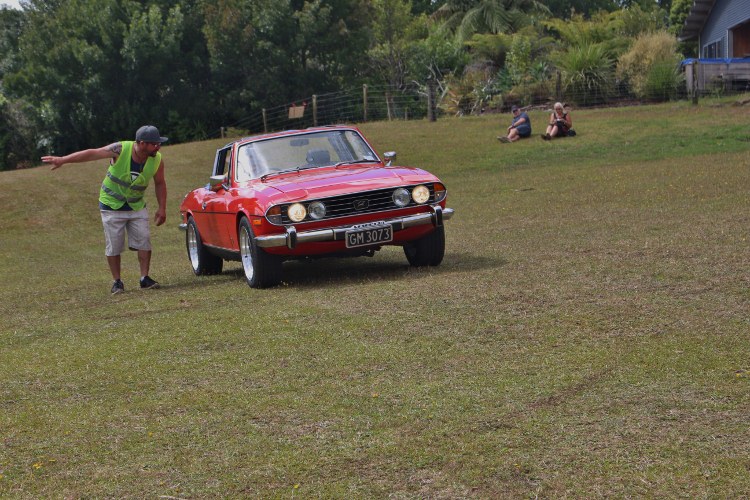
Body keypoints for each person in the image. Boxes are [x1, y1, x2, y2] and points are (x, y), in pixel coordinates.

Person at [41, 125, 168, 294]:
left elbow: (160, 183)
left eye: (158, 143)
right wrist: (63, 159)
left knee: (144, 241)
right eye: (154, 144)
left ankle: (144, 278)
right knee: (114, 245)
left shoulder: (157, 159)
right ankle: (117, 281)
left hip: (136, 205)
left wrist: (162, 208)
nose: (158, 147)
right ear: (142, 143)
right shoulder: (120, 149)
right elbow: (92, 153)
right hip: (111, 205)